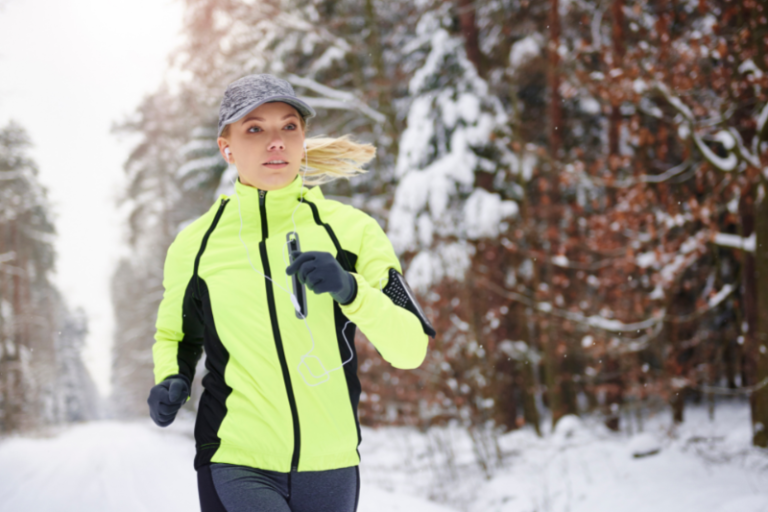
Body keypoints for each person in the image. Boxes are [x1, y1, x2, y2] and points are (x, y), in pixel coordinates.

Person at [147, 74, 436, 512]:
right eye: (254, 129)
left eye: (289, 127)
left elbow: (411, 348)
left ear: (302, 140)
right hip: (234, 455)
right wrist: (172, 378)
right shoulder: (196, 245)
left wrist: (350, 288)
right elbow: (178, 336)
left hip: (332, 463)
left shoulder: (352, 232)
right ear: (226, 147)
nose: (275, 141)